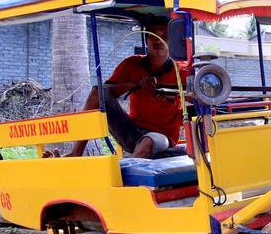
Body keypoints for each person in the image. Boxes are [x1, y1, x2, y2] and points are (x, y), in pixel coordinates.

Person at [64, 20, 183, 158]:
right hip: (131, 130)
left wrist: (172, 94)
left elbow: (199, 97)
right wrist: (135, 85)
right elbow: (106, 91)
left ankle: (121, 176)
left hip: (162, 136)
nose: (158, 40)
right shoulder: (131, 64)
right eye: (153, 35)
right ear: (146, 40)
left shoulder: (182, 71)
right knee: (98, 92)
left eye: (165, 36)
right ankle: (76, 152)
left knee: (148, 142)